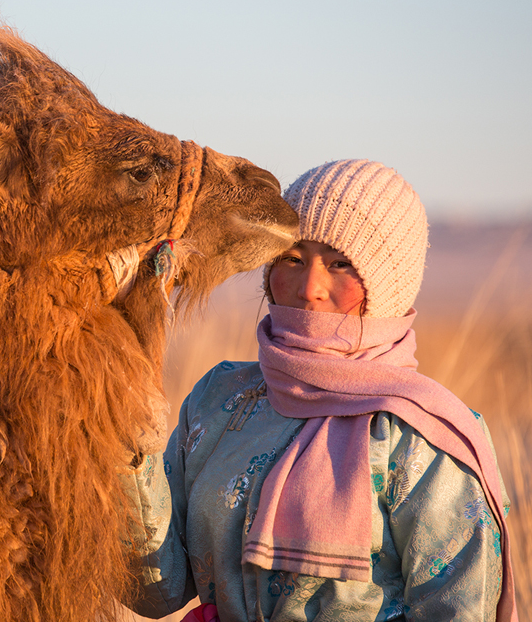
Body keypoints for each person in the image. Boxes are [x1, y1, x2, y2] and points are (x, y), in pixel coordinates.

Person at [123, 159, 517, 621]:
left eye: (340, 264)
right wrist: (125, 435)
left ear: (388, 286)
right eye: (292, 258)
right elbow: (157, 590)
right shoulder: (220, 399)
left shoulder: (422, 437)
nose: (309, 287)